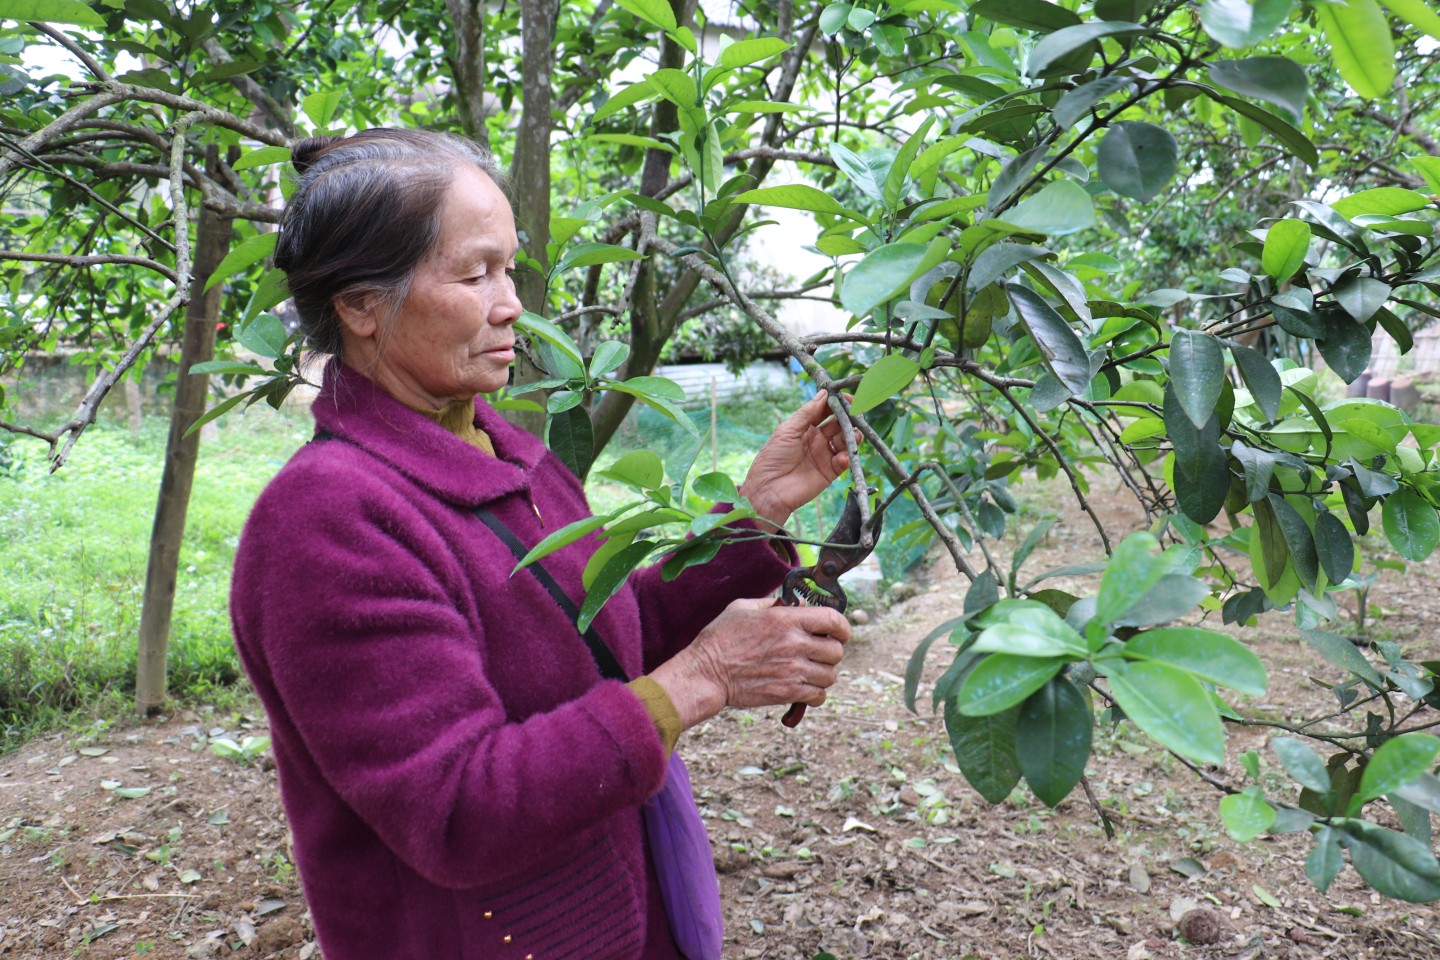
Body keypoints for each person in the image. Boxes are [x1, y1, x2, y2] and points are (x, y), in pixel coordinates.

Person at [229, 128, 853, 960]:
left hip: (614, 903)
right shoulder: (326, 524)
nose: (510, 302)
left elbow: (601, 630)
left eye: (509, 269)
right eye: (473, 273)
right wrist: (703, 679)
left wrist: (759, 509)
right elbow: (456, 810)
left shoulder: (507, 451)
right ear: (361, 304)